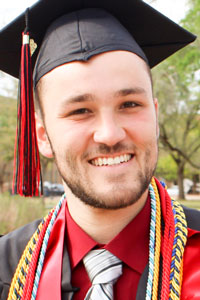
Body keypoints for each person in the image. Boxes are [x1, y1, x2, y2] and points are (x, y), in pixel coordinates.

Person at [0, 1, 200, 299]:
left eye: (130, 104)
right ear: (42, 136)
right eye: (81, 110)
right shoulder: (7, 268)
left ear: (156, 116)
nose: (110, 134)